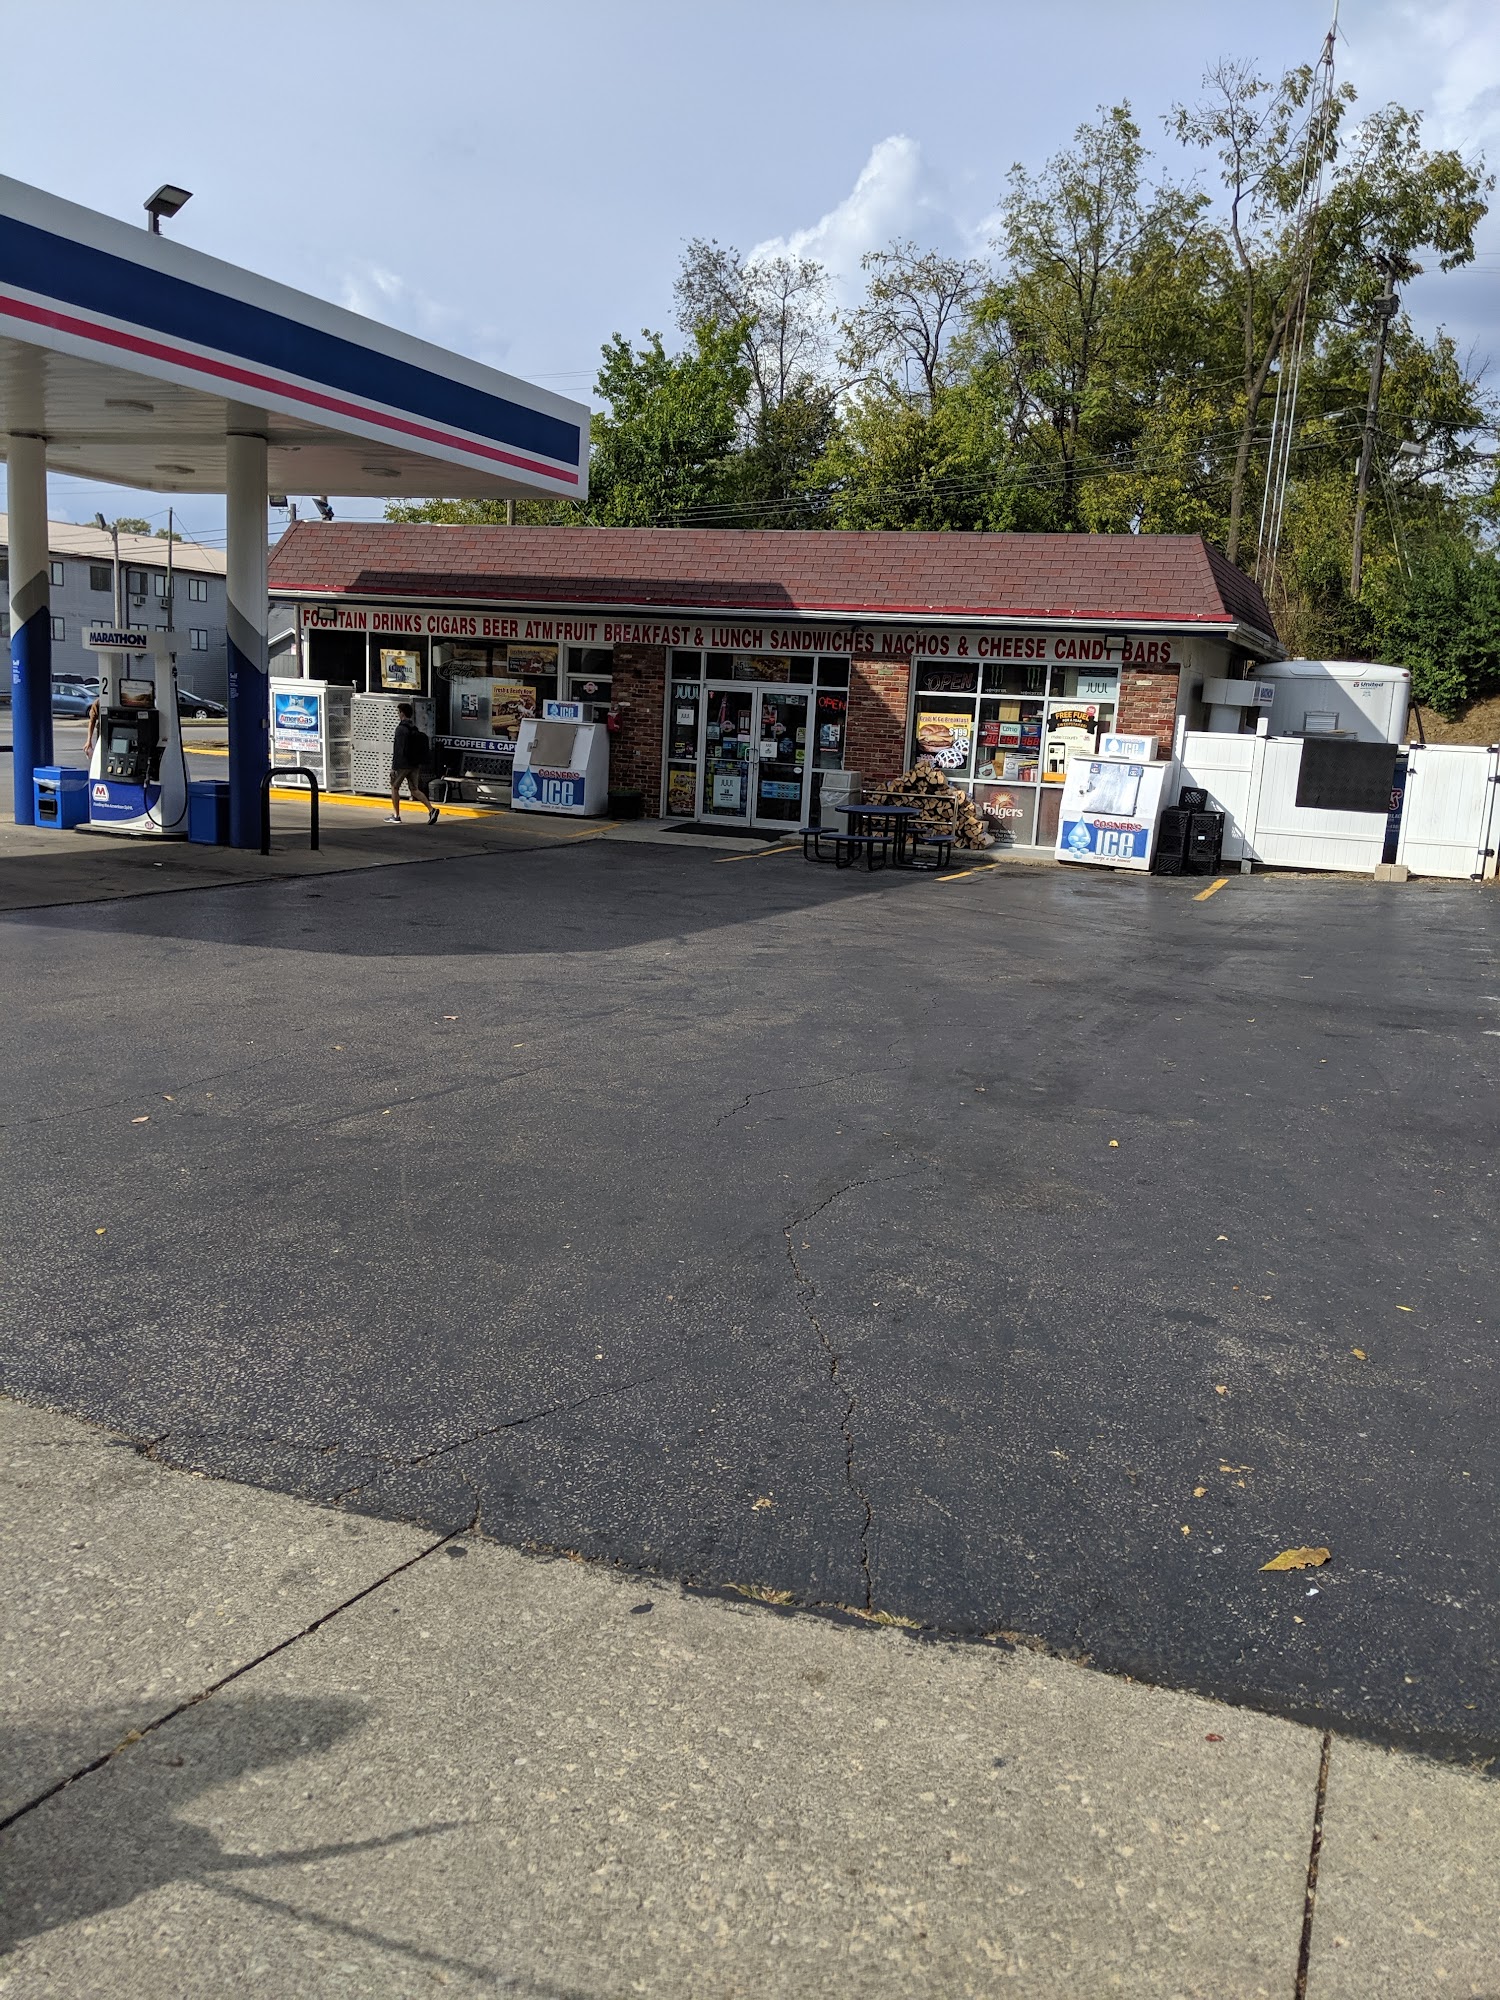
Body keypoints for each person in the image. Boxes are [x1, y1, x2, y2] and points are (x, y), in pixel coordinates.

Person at [388, 702, 438, 824]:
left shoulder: (400, 729)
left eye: (398, 712)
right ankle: (431, 809)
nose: (398, 714)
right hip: (414, 765)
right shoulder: (414, 728)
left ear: (402, 713)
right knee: (414, 789)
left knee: (394, 787)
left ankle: (396, 815)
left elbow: (398, 750)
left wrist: (394, 767)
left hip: (402, 764)